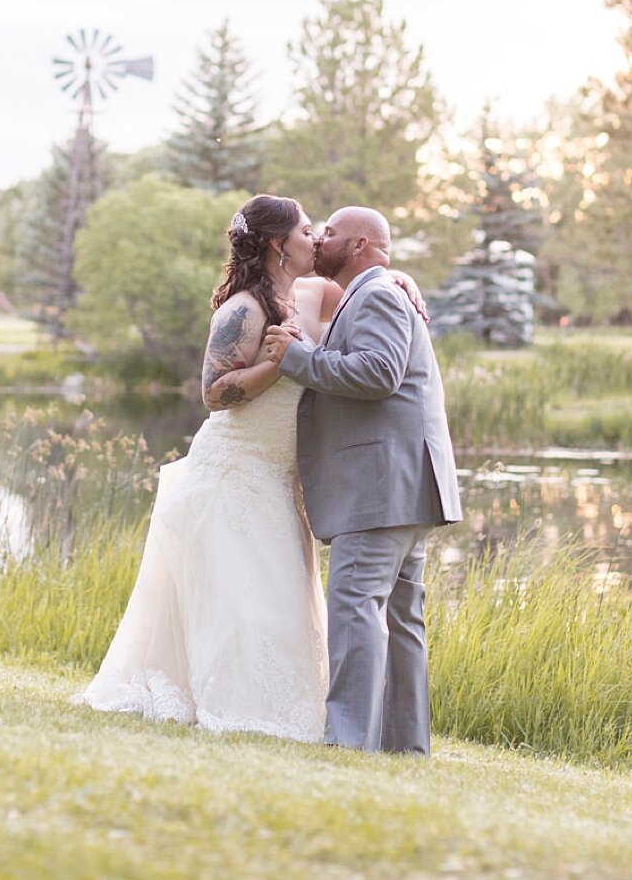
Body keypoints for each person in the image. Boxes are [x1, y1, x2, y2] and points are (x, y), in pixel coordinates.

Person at [78, 194, 427, 742]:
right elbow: (215, 393)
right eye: (307, 231)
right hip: (237, 469)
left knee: (283, 607)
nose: (315, 240)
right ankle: (234, 705)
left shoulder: (306, 293)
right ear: (277, 244)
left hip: (281, 479)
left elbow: (365, 275)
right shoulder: (242, 307)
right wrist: (277, 364)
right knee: (240, 604)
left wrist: (399, 273)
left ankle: (303, 716)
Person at [261, 206, 461, 755]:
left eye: (329, 233)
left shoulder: (376, 294)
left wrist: (298, 360)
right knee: (400, 621)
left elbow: (379, 373)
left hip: (381, 486)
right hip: (403, 484)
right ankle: (404, 748)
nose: (319, 240)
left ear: (356, 246)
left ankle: (349, 743)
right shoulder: (371, 292)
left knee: (354, 607)